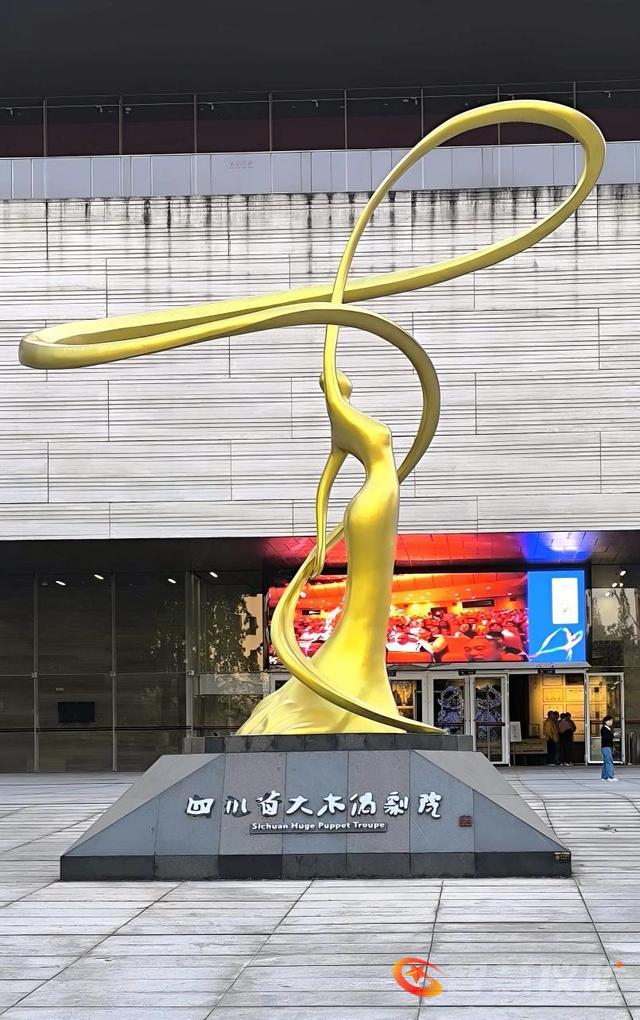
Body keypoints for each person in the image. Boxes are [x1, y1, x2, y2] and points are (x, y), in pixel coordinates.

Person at [601, 715, 618, 781]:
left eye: (612, 721)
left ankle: (604, 777)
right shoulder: (604, 729)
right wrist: (613, 735)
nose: (611, 722)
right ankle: (610, 777)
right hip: (606, 747)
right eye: (610, 720)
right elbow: (606, 738)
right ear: (606, 721)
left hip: (607, 747)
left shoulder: (608, 728)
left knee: (606, 762)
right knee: (609, 762)